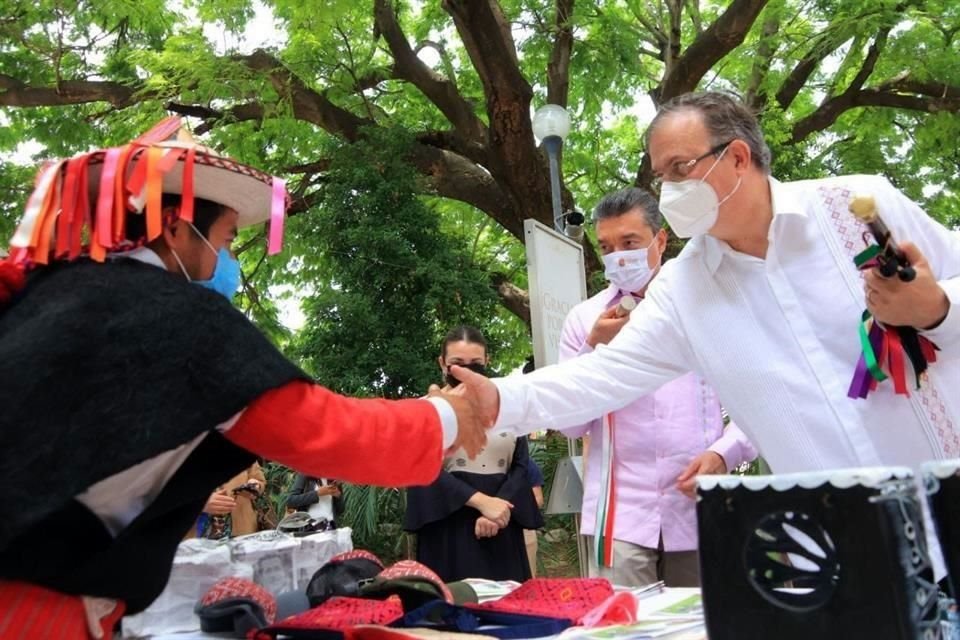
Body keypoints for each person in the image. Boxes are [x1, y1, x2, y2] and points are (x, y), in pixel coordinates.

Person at [0, 118, 487, 638]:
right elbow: (323, 429)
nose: (229, 261)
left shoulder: (50, 296)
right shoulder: (176, 314)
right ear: (174, 227)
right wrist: (446, 416)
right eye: (228, 240)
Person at [450, 91, 960, 571]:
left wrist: (936, 307)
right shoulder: (687, 287)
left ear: (738, 157)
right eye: (662, 176)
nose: (670, 190)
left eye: (681, 169)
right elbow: (602, 376)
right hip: (840, 551)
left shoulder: (855, 208)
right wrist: (496, 399)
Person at [558, 187, 757, 587]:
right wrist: (594, 347)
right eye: (606, 246)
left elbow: (759, 403)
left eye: (629, 242)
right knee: (625, 629)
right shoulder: (584, 320)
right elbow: (569, 425)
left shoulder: (709, 307)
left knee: (701, 627)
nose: (618, 257)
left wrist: (723, 454)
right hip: (621, 519)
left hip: (697, 506)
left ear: (660, 240)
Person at [404, 326, 544, 582]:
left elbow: (521, 464)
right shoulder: (426, 409)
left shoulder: (507, 404)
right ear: (443, 363)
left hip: (503, 520)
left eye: (475, 364)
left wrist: (498, 508)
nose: (465, 371)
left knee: (508, 605)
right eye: (457, 363)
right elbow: (424, 467)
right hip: (448, 525)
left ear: (487, 361)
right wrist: (481, 502)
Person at [191, 462, 267, 539]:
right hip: (198, 532)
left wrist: (255, 486)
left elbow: (260, 480)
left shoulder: (244, 451)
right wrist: (200, 503)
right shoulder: (186, 452)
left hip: (242, 528)